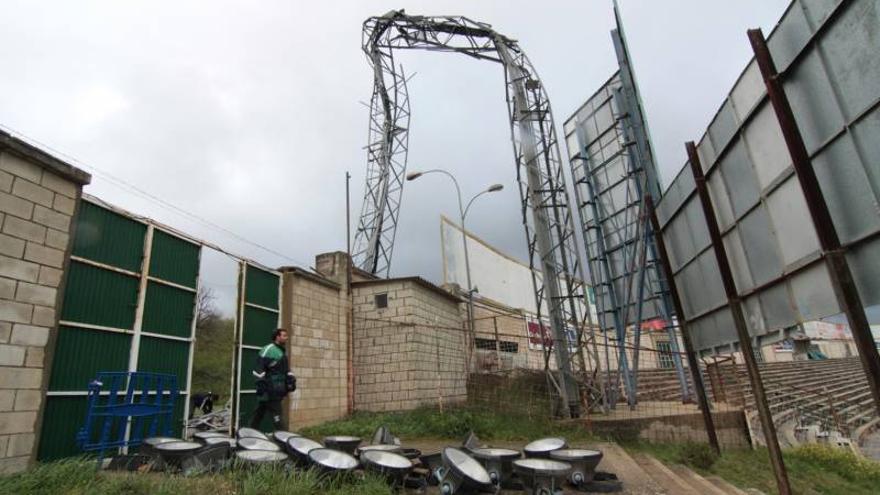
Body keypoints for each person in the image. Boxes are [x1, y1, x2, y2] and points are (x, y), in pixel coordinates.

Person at [250, 328, 296, 430]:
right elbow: (258, 368)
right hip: (270, 391)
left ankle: (249, 435)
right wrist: (261, 385)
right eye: (284, 336)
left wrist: (291, 380)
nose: (286, 338)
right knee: (277, 417)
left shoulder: (281, 352)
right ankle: (285, 440)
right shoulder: (268, 349)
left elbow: (285, 370)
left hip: (278, 390)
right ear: (277, 337)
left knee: (258, 416)